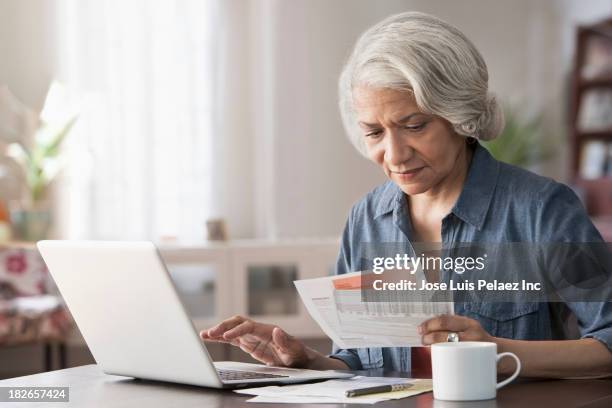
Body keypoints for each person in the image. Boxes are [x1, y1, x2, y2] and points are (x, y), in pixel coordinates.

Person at [200, 11, 612, 378]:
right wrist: (308, 361)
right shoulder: (366, 219)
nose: (394, 155)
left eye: (414, 125)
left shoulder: (540, 210)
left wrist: (499, 352)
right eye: (374, 133)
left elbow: (608, 342)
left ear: (459, 117)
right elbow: (358, 361)